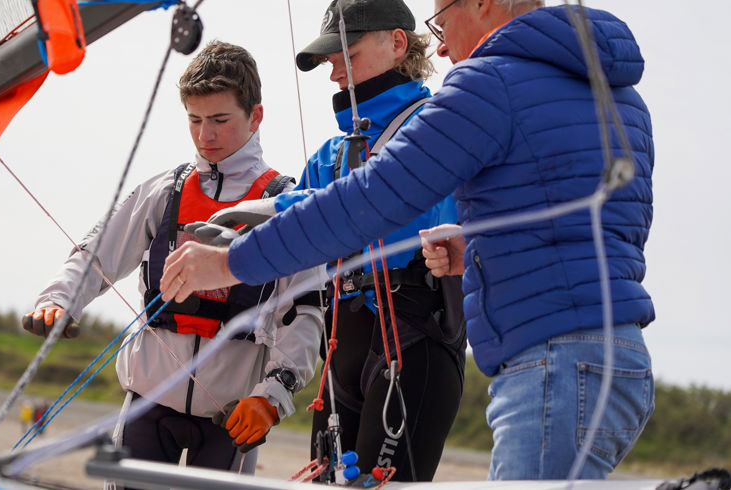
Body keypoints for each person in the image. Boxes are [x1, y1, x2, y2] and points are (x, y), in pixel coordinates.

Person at [161, 0, 655, 481]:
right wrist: (477, 248)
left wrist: (228, 264)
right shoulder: (620, 97)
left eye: (440, 23)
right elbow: (594, 225)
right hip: (617, 358)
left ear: (482, 3)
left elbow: (373, 201)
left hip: (548, 366)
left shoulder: (489, 83)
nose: (439, 50)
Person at [23, 41, 322, 475]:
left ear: (255, 116)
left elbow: (304, 315)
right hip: (147, 403)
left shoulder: (286, 207)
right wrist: (58, 300)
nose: (206, 135)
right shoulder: (164, 192)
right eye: (195, 120)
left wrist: (271, 397)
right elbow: (96, 255)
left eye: (220, 120)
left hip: (233, 416)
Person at [290, 0, 465, 482]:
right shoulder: (330, 154)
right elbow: (290, 234)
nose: (334, 76)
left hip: (415, 343)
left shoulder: (438, 127)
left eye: (347, 55)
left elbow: (450, 225)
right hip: (341, 352)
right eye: (330, 62)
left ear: (397, 43)